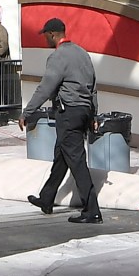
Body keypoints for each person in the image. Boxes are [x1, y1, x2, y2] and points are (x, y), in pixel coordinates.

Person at [23, 18, 101, 223]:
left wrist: (27, 112)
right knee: (62, 156)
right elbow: (93, 87)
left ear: (52, 34)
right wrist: (93, 115)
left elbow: (45, 88)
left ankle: (92, 210)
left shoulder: (58, 56)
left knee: (77, 161)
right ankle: (46, 198)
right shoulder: (83, 53)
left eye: (45, 35)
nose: (45, 39)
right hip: (83, 112)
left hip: (68, 114)